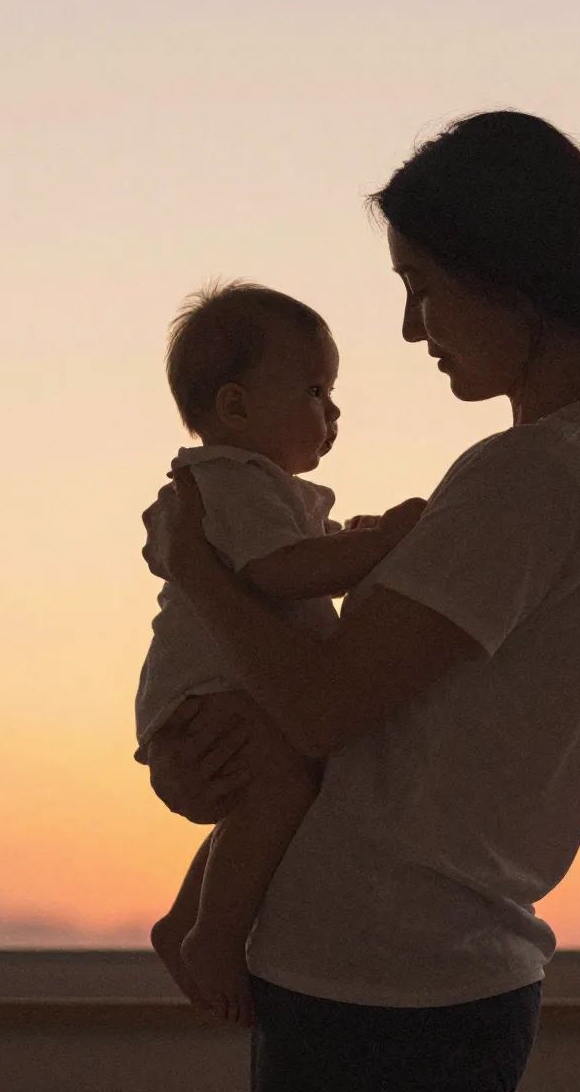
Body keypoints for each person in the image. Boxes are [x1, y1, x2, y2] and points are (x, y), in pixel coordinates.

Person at [138, 110, 580, 1091]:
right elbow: (366, 731)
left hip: (385, 985)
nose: (411, 327)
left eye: (422, 289)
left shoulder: (535, 473)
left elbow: (317, 706)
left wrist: (194, 569)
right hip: (403, 973)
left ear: (502, 275)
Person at [137, 281, 428, 1025]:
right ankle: (214, 936)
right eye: (314, 389)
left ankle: (188, 923)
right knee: (282, 788)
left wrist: (350, 540)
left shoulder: (252, 491)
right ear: (235, 408)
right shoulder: (231, 482)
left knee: (280, 789)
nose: (332, 412)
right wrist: (380, 547)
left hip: (221, 686)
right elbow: (281, 573)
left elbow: (287, 558)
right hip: (214, 688)